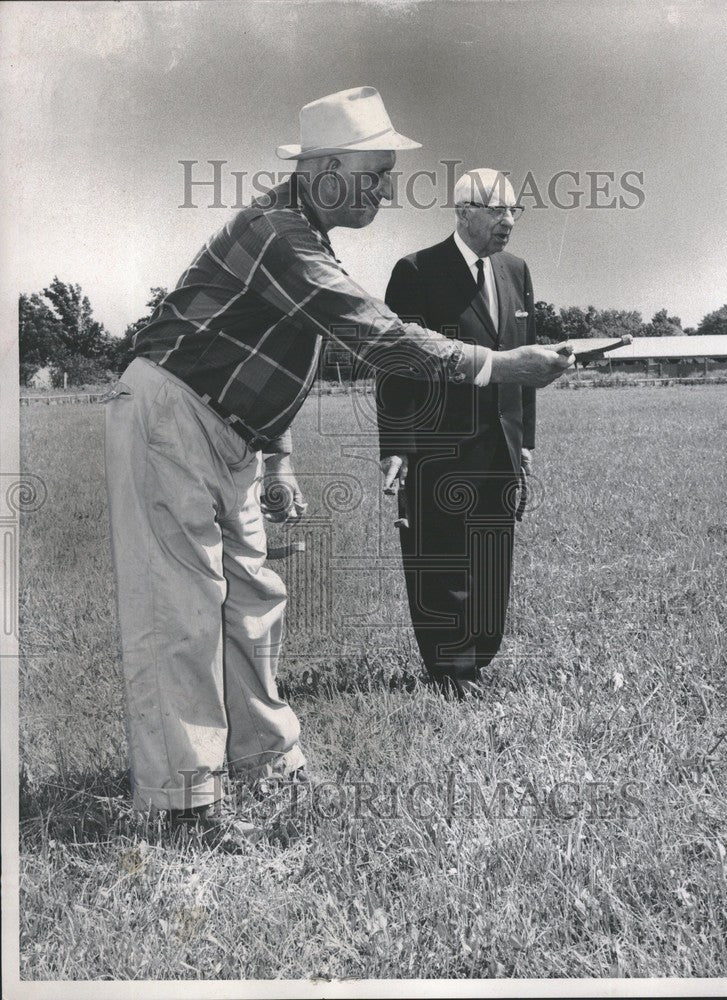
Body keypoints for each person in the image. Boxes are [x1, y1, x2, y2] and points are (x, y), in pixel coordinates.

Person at [104, 88, 573, 842]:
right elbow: (379, 337)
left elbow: (266, 358)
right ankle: (183, 806)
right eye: (375, 172)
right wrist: (499, 366)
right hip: (171, 417)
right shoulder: (276, 232)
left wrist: (279, 460)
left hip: (227, 434)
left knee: (250, 597)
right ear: (323, 170)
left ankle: (265, 761)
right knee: (181, 611)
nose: (388, 188)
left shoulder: (306, 239)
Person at [377, 169, 541, 700]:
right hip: (437, 448)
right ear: (464, 211)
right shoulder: (417, 271)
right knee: (442, 555)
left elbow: (525, 366)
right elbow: (395, 363)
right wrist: (397, 444)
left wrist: (527, 441)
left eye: (515, 211)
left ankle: (478, 655)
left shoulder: (517, 272)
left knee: (493, 555)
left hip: (502, 446)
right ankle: (450, 670)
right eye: (498, 211)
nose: (509, 221)